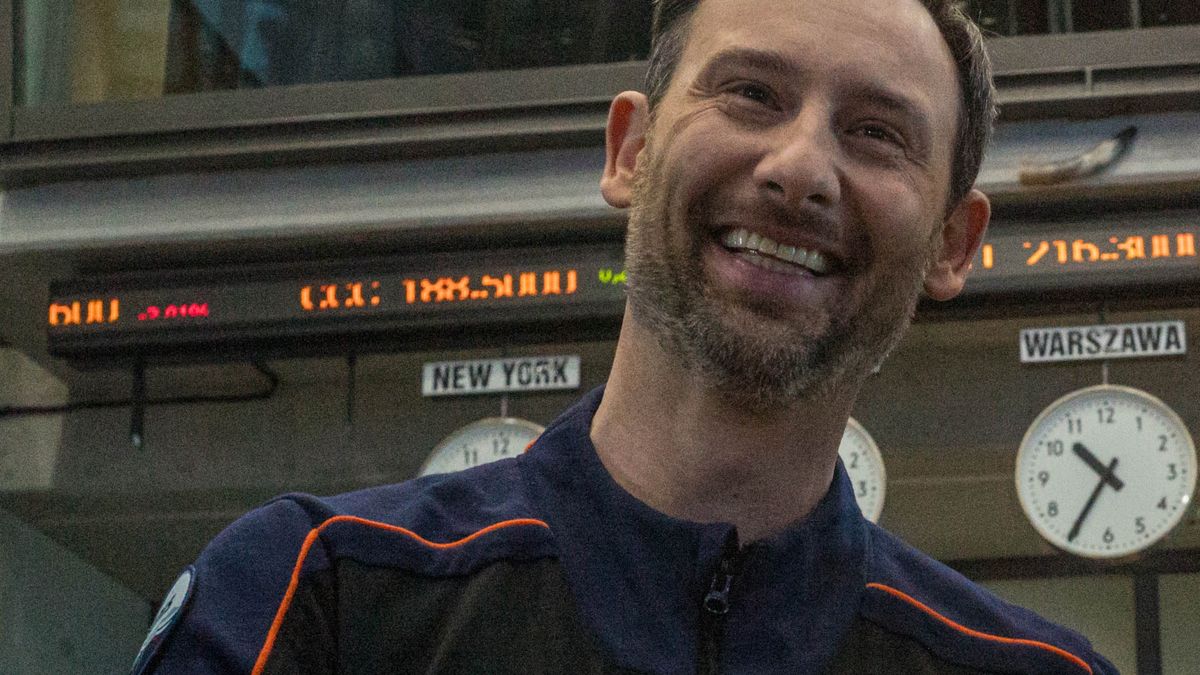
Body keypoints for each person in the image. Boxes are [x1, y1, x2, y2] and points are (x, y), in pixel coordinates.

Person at [133, 0, 1119, 673]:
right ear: (631, 151)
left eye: (875, 133)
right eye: (752, 95)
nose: (799, 168)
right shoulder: (319, 596)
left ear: (954, 243)